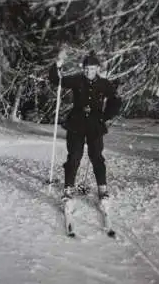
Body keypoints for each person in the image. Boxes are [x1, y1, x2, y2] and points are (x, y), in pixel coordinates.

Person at [48, 50, 122, 203]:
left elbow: (115, 100)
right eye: (87, 69)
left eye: (92, 69)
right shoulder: (77, 80)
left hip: (95, 125)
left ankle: (102, 189)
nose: (89, 72)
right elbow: (57, 80)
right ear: (83, 69)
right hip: (77, 123)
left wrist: (105, 116)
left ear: (98, 69)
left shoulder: (104, 84)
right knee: (74, 156)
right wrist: (57, 65)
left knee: (97, 157)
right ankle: (68, 188)